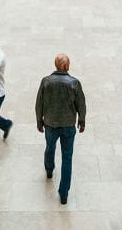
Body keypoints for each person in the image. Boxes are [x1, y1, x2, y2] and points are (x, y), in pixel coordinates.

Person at [35, 54, 87, 205]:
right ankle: (64, 193)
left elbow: (39, 103)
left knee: (50, 147)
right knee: (67, 158)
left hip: (50, 124)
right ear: (64, 66)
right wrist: (82, 120)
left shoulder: (46, 81)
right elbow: (81, 104)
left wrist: (39, 120)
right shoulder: (74, 83)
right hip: (68, 125)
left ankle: (49, 169)